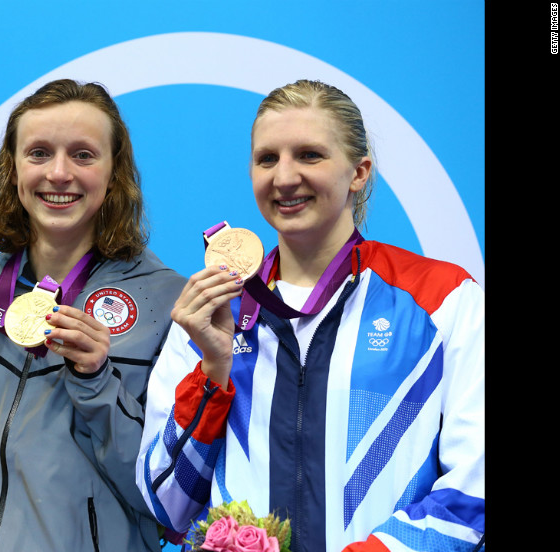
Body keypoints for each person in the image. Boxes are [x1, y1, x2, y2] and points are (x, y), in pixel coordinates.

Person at [137, 80, 485, 552]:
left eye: (309, 155)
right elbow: (168, 509)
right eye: (267, 159)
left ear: (359, 172)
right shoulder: (213, 310)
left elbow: (473, 493)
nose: (283, 177)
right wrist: (211, 374)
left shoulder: (441, 299)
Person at [0, 79, 186, 551]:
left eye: (84, 155)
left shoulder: (165, 302)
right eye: (39, 153)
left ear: (115, 173)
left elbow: (170, 500)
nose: (59, 173)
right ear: (13, 169)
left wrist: (96, 380)